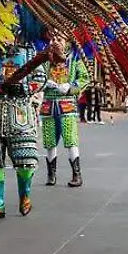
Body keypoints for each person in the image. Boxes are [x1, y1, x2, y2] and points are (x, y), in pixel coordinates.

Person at [0, 50, 43, 219]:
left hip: (20, 114)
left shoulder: (29, 52)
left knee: (25, 160)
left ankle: (25, 197)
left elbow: (41, 78)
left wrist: (24, 88)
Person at [40, 38, 89, 188]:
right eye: (53, 39)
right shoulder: (45, 58)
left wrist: (70, 86)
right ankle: (51, 174)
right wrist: (43, 82)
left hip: (67, 104)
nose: (56, 42)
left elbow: (84, 79)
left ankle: (77, 174)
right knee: (49, 141)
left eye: (59, 39)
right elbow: (36, 77)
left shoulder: (74, 58)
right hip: (48, 104)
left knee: (70, 139)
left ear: (67, 40)